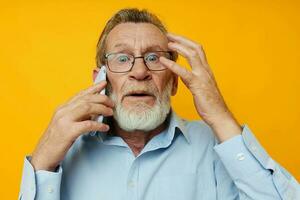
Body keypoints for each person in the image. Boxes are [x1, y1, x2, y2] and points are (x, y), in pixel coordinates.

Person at [18, 8, 299, 200]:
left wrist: (221, 116)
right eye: (122, 58)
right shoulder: (65, 152)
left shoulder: (215, 146)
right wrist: (43, 159)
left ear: (175, 81)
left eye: (154, 58)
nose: (140, 72)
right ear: (99, 79)